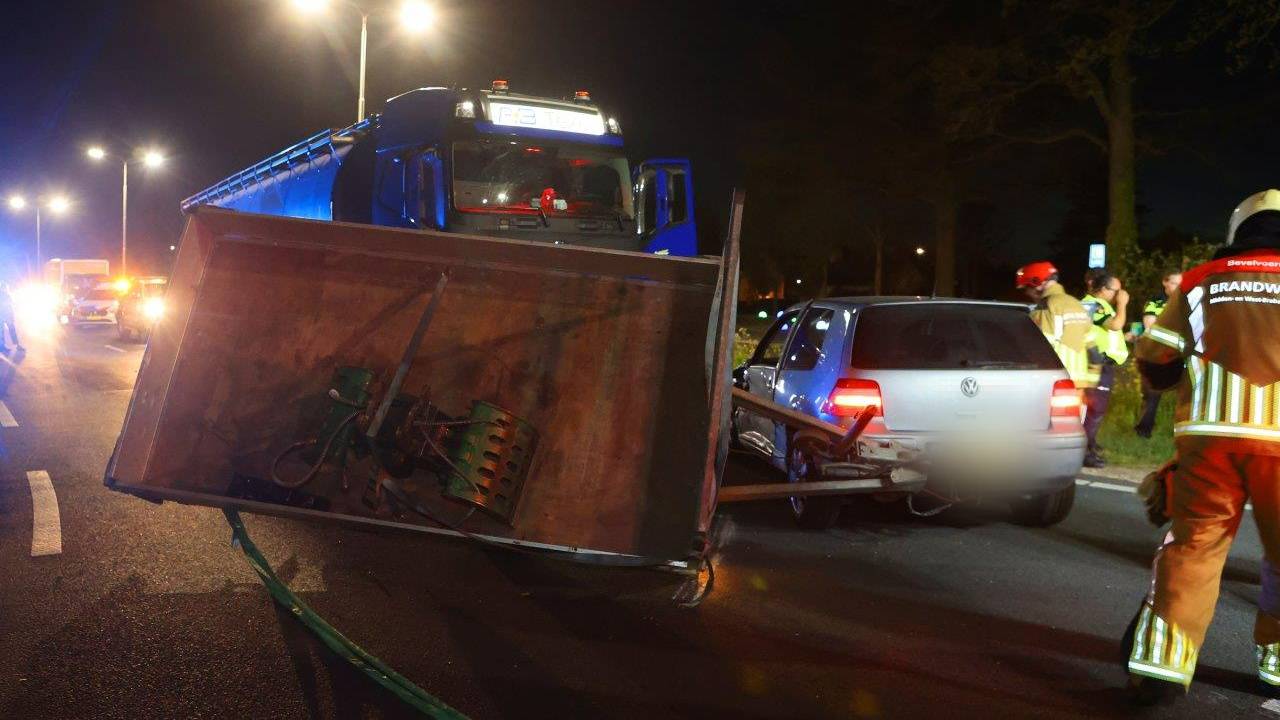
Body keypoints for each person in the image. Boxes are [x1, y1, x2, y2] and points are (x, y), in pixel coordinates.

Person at [1123, 189, 1280, 704]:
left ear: (1239, 230)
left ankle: (1162, 669)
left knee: (1194, 546)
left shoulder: (1201, 280)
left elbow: (1157, 356)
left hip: (1211, 442)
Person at [1016, 261, 1098, 389]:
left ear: (1037, 283)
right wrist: (1091, 384)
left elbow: (1036, 351)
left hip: (1055, 384)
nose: (1027, 293)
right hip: (1079, 385)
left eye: (1027, 288)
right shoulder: (1077, 305)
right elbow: (1094, 353)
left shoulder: (1044, 308)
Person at [1079, 271, 1130, 467]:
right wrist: (1123, 304)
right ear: (1103, 289)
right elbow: (1116, 325)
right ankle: (1084, 453)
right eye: (1116, 291)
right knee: (1095, 410)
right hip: (1097, 365)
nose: (1119, 294)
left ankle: (1088, 447)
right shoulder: (1094, 305)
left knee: (1094, 410)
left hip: (1100, 364)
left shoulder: (1099, 305)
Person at [1134, 269, 1184, 438]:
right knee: (1152, 396)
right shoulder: (1155, 302)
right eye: (1174, 283)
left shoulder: (1184, 302)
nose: (1178, 287)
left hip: (1180, 354)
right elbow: (1150, 326)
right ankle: (1143, 431)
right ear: (1165, 282)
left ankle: (1180, 432)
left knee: (1185, 396)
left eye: (1180, 284)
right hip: (1158, 355)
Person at [0, 283, 21, 353]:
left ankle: (3, 348)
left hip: (3, 316)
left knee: (3, 332)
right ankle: (17, 345)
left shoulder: (5, 294)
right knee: (11, 331)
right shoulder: (6, 295)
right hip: (6, 316)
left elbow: (11, 305)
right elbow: (11, 305)